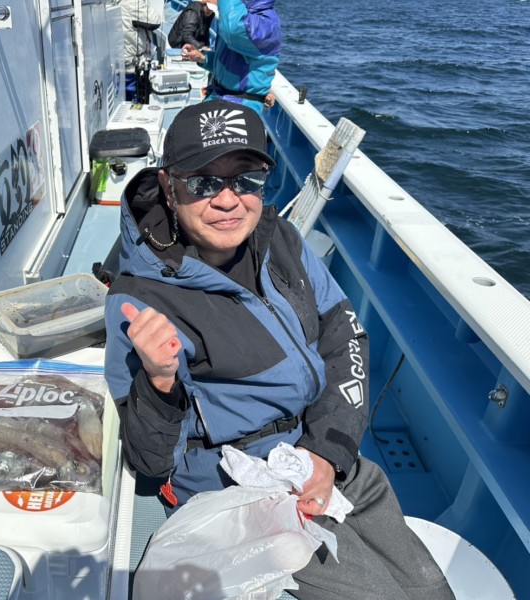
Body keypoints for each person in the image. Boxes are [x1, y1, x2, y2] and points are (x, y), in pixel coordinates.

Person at [103, 99, 455, 599]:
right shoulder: (140, 300)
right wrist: (159, 383)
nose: (229, 200)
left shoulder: (281, 239)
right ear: (168, 185)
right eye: (203, 182)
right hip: (246, 492)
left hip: (324, 447)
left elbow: (345, 337)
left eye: (246, 179)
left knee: (430, 588)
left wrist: (326, 453)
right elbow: (151, 463)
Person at [181, 0, 280, 111]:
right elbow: (232, 65)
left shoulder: (266, 22)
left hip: (241, 107)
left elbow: (232, 30)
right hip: (218, 99)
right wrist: (203, 58)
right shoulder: (241, 14)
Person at [119, 0, 162, 101]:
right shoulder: (132, 3)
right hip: (132, 68)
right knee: (134, 101)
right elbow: (155, 20)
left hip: (120, 63)